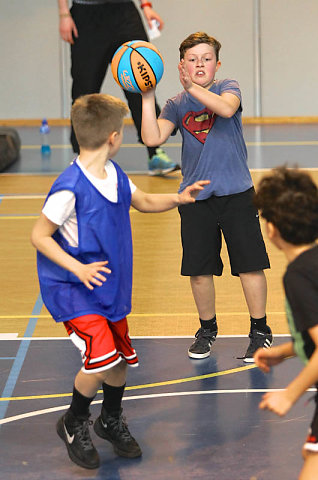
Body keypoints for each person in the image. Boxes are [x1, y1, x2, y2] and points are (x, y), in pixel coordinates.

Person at [30, 93, 208, 470]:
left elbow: (141, 201)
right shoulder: (69, 186)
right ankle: (73, 421)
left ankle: (110, 419)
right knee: (100, 357)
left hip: (109, 288)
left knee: (121, 360)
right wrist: (76, 269)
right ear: (113, 136)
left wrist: (178, 198)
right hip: (74, 290)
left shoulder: (114, 174)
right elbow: (39, 235)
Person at [141, 31, 272, 361]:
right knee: (199, 271)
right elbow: (152, 137)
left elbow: (227, 111)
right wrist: (146, 95)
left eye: (206, 58)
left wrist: (193, 89)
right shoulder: (175, 103)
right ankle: (207, 329)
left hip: (237, 194)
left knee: (250, 265)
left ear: (217, 63)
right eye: (192, 59)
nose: (200, 64)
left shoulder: (229, 87)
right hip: (195, 198)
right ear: (181, 64)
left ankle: (260, 331)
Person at [57, 0, 180, 176]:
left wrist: (146, 6)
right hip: (86, 14)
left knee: (142, 83)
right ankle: (83, 157)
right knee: (84, 90)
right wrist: (64, 14)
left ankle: (155, 153)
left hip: (124, 13)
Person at [252, 166, 318, 480]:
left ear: (271, 230)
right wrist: (286, 351)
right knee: (312, 455)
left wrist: (289, 394)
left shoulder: (299, 276)